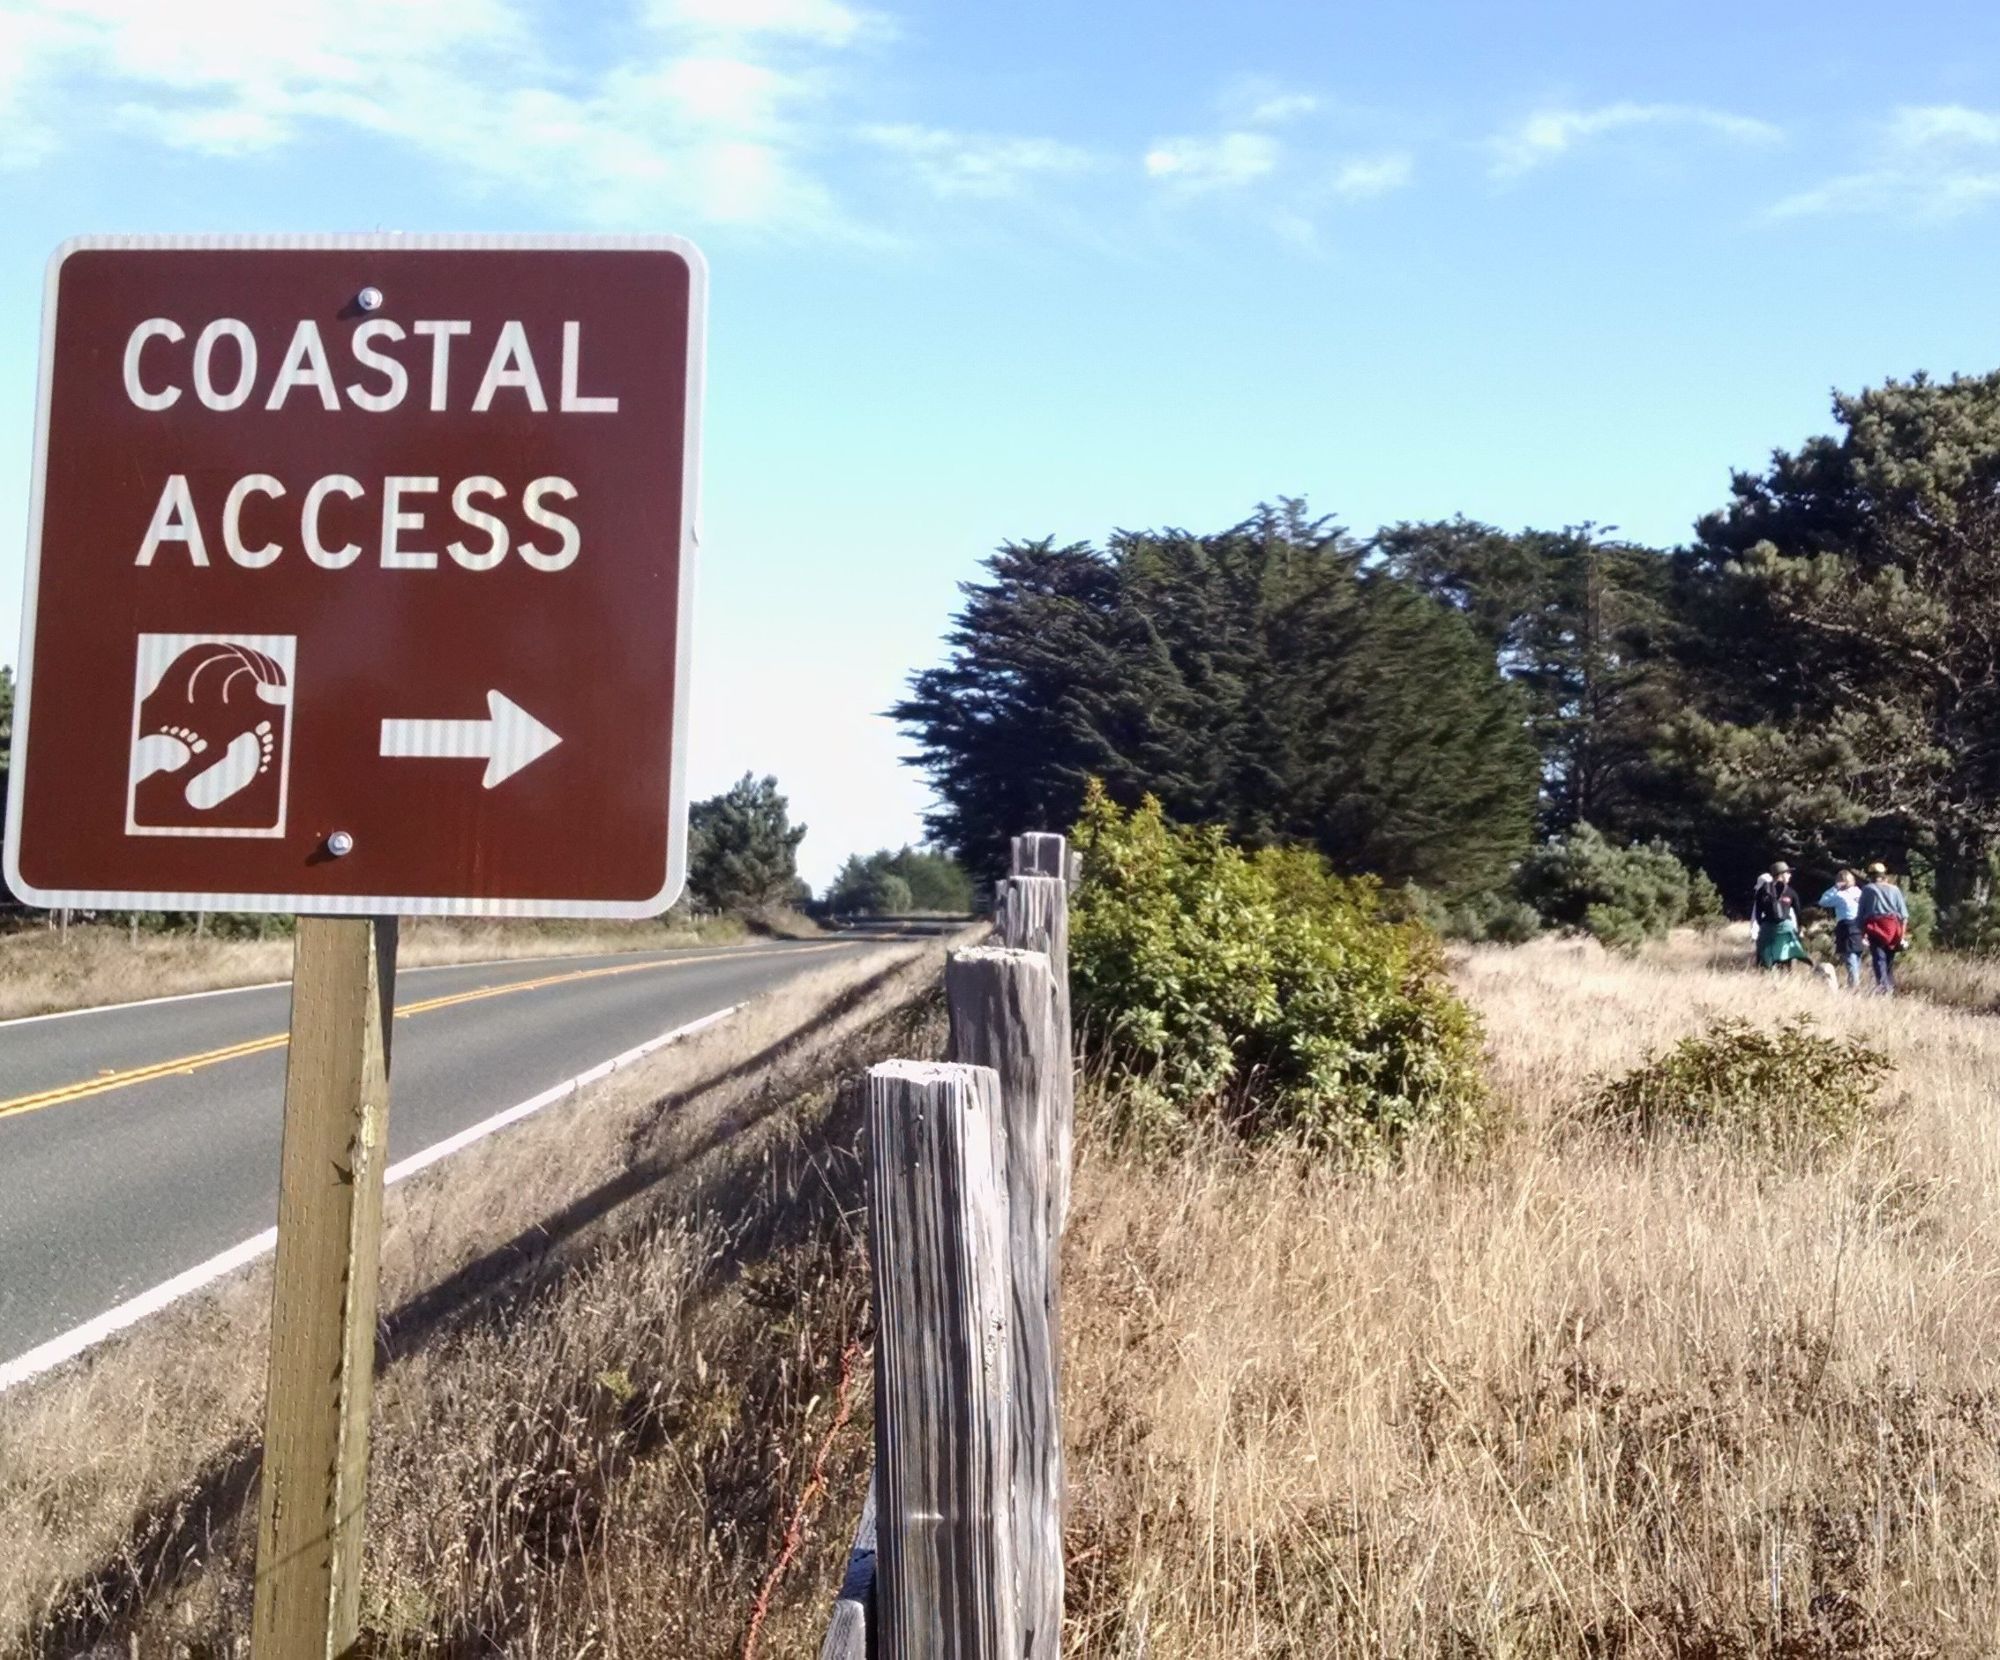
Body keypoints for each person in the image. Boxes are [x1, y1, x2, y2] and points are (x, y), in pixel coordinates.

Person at [1858, 862, 1910, 994]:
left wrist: (1861, 932)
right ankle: (1889, 986)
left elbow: (1861, 913)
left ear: (1871, 875)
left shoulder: (1868, 889)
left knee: (1879, 958)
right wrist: (1902, 936)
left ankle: (1882, 986)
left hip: (1875, 927)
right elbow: (1904, 915)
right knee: (1889, 960)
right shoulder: (1895, 889)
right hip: (1893, 928)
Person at [1753, 860, 1810, 972]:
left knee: (1764, 956)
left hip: (1767, 926)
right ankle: (1785, 979)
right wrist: (1800, 928)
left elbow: (1758, 911)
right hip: (1785, 927)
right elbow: (1799, 912)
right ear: (1781, 874)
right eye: (1787, 873)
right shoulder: (1790, 891)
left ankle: (1764, 978)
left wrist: (1762, 924)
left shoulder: (1762, 890)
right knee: (1786, 956)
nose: (1790, 875)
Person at [1818, 868, 1865, 989]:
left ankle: (1854, 985)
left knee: (1850, 957)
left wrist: (1835, 888)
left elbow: (1823, 901)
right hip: (1859, 926)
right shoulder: (1859, 893)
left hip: (1846, 926)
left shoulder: (1840, 896)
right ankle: (1855, 982)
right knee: (1856, 956)